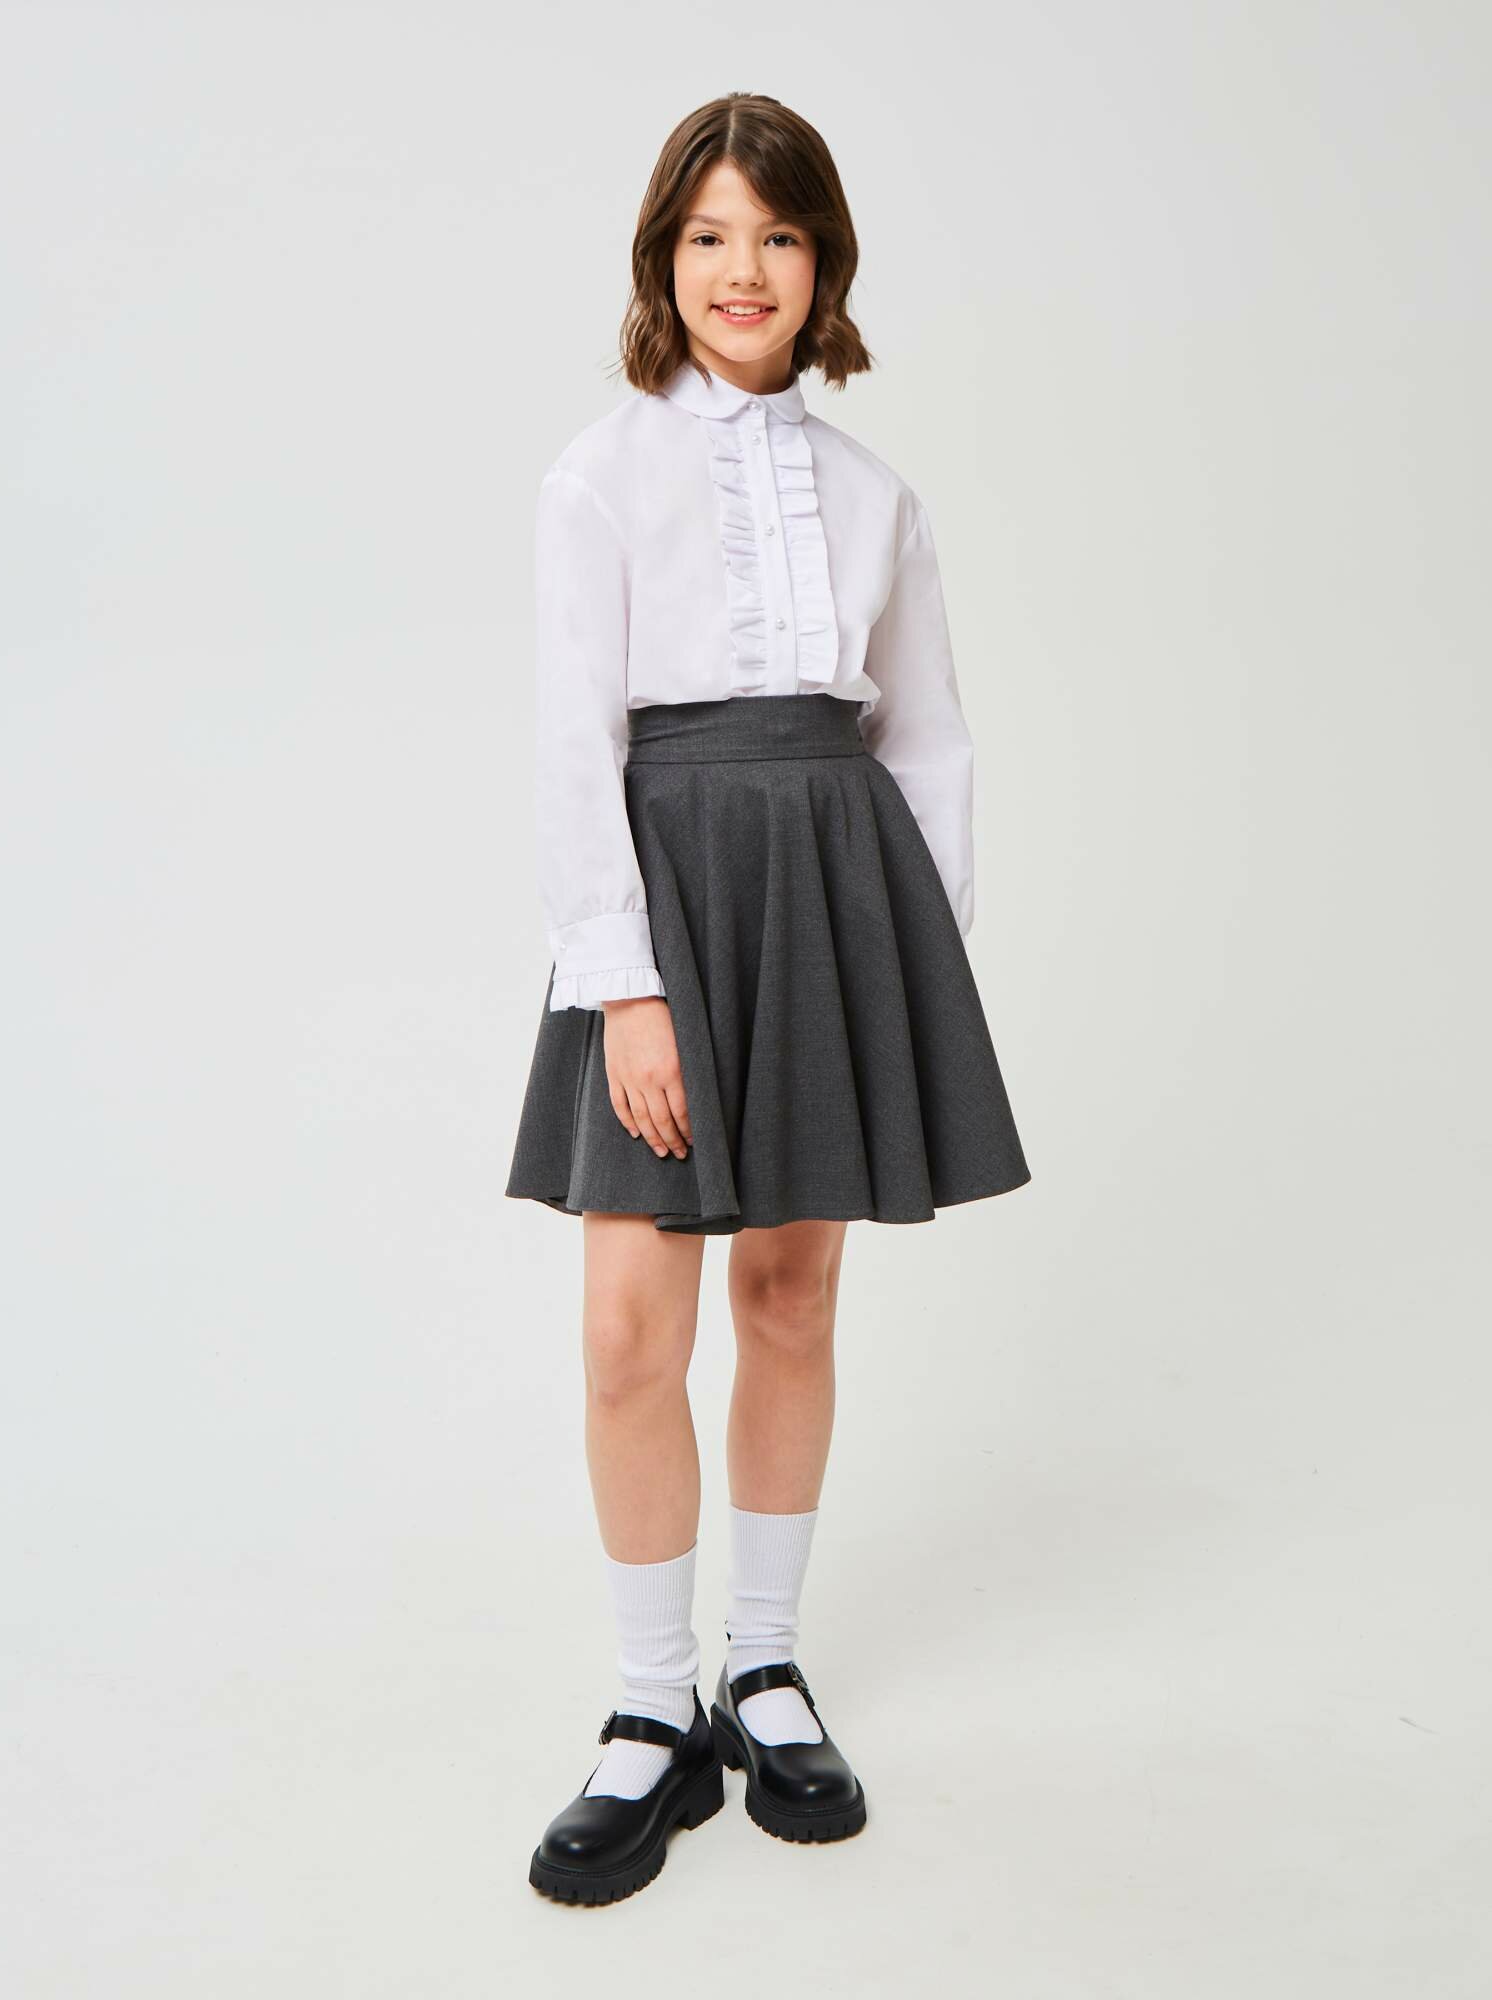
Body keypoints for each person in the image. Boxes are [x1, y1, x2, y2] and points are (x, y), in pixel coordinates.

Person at [506, 91, 1031, 1905]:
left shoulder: (881, 499)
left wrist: (911, 971)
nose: (745, 270)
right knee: (626, 1331)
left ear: (824, 266)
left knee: (791, 1297)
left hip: (832, 902)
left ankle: (766, 1666)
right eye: (712, 235)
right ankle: (649, 1707)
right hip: (664, 905)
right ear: (665, 258)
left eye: (780, 237)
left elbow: (929, 741)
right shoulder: (597, 478)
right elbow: (572, 746)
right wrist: (625, 989)